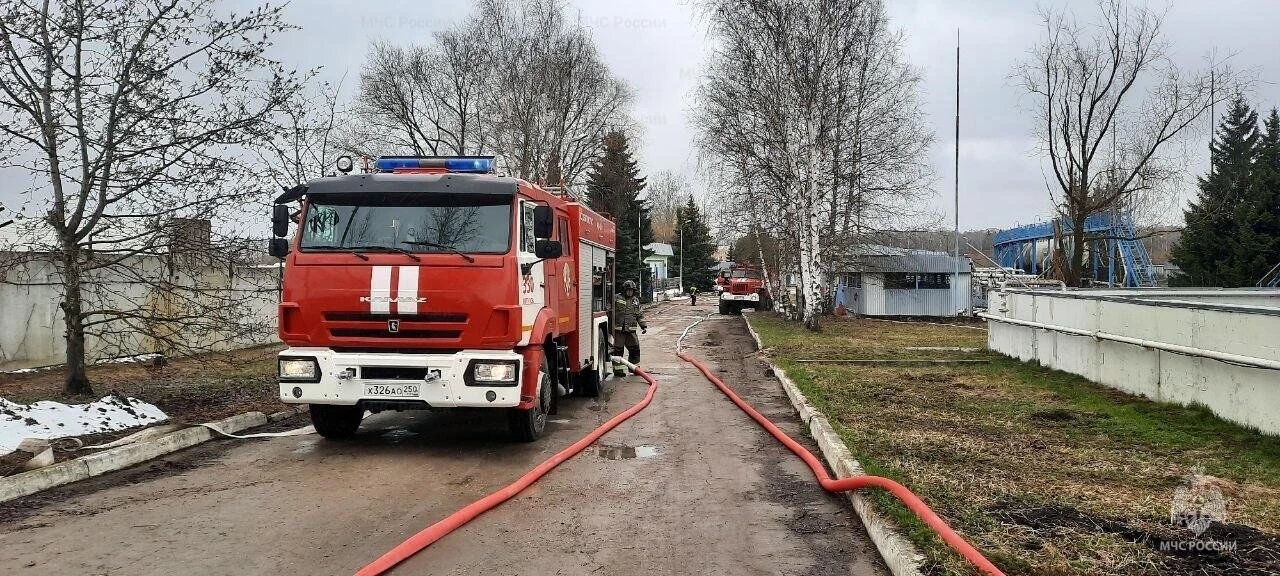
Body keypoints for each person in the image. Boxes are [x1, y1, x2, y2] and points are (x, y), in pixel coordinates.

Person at [611, 280, 647, 376]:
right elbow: (609, 310)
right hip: (619, 330)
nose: (630, 292)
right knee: (618, 350)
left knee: (635, 349)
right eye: (628, 290)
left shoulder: (635, 301)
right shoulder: (616, 298)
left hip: (631, 330)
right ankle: (618, 370)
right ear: (624, 290)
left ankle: (634, 369)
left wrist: (643, 326)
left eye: (631, 290)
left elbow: (639, 314)